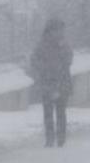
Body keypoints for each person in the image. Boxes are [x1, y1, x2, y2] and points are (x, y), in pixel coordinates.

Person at [30, 17, 73, 147]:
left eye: (61, 30)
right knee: (48, 112)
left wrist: (58, 65)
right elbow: (34, 60)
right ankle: (50, 138)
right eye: (58, 30)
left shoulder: (63, 44)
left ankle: (60, 138)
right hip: (48, 82)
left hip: (60, 81)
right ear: (51, 31)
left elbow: (68, 59)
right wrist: (45, 69)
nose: (61, 32)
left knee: (60, 111)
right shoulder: (42, 45)